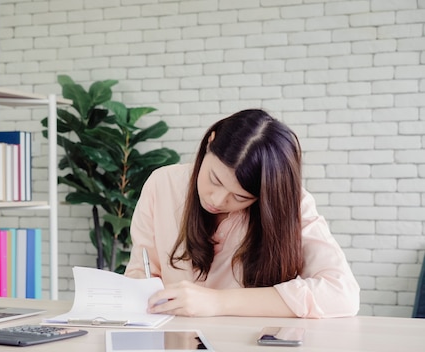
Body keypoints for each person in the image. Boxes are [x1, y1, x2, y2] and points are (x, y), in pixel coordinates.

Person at [124, 109, 360, 319]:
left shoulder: (290, 204)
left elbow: (342, 293)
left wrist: (217, 302)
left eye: (240, 197)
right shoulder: (163, 184)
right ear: (210, 141)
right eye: (214, 180)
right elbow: (141, 273)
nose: (216, 200)